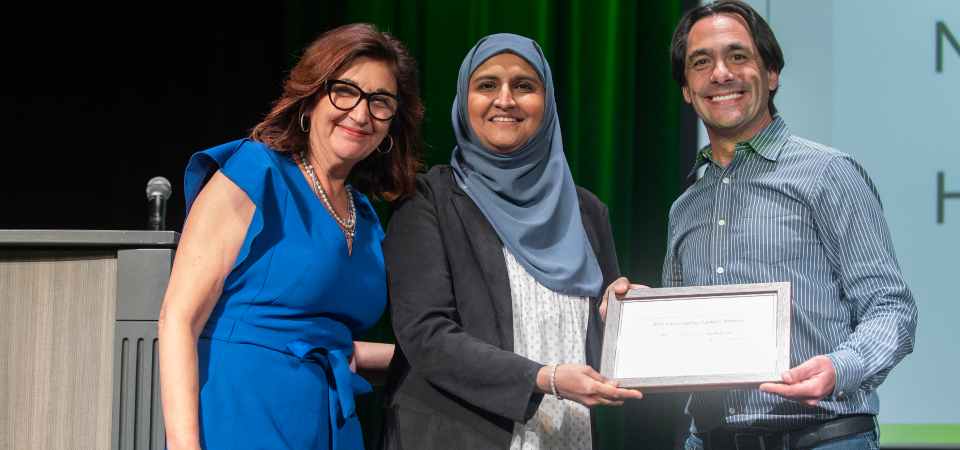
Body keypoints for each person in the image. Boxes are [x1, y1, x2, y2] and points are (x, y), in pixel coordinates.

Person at [663, 1, 918, 449]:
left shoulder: (827, 174)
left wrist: (843, 368)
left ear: (772, 73)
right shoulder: (685, 207)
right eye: (701, 63)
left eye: (738, 56)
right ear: (687, 89)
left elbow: (891, 307)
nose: (720, 74)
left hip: (823, 437)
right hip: (711, 440)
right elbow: (683, 337)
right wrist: (638, 314)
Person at [157, 23, 424, 450]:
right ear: (311, 97)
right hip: (243, 412)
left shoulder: (367, 216)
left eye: (380, 102)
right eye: (345, 91)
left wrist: (439, 363)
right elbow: (178, 320)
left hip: (329, 425)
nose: (360, 113)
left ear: (393, 123)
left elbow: (330, 343)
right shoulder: (253, 171)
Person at [377, 34, 644, 450]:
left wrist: (623, 320)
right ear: (465, 102)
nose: (506, 99)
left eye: (524, 86)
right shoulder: (426, 200)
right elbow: (426, 335)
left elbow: (595, 351)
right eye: (487, 85)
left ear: (547, 101)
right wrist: (545, 378)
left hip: (567, 435)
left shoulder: (587, 211)